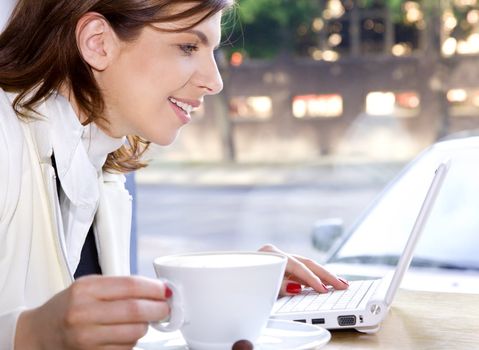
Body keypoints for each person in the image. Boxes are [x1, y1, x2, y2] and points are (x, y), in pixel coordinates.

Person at [0, 1, 349, 349]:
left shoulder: (98, 164)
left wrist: (233, 293)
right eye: (188, 47)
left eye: (210, 51)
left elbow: (93, 331)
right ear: (97, 42)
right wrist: (31, 334)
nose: (214, 82)